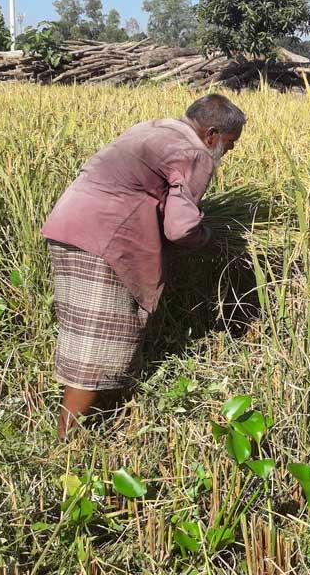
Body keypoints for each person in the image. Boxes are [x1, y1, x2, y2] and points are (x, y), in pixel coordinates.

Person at [41, 94, 246, 440]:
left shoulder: (156, 127)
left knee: (82, 333)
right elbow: (180, 228)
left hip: (69, 226)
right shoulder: (196, 152)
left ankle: (91, 416)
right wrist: (209, 236)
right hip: (104, 240)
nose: (230, 151)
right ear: (211, 134)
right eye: (230, 143)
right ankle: (63, 443)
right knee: (96, 345)